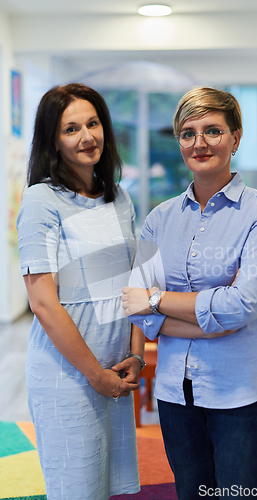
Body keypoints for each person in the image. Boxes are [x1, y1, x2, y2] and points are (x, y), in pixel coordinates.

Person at [121, 86, 257, 499]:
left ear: (236, 136)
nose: (199, 143)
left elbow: (242, 305)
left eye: (212, 130)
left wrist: (159, 299)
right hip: (177, 394)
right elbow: (133, 303)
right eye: (188, 133)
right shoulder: (159, 218)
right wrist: (211, 322)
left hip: (244, 392)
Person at [16, 83, 146, 500]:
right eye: (71, 129)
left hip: (115, 368)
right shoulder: (41, 200)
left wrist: (137, 353)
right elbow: (42, 302)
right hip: (69, 376)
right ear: (53, 139)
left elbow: (134, 280)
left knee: (106, 485)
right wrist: (95, 375)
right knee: (77, 489)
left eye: (93, 123)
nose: (86, 136)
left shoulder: (120, 197)